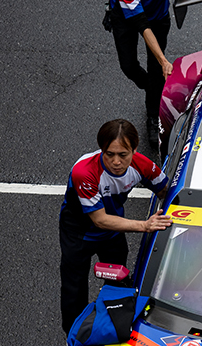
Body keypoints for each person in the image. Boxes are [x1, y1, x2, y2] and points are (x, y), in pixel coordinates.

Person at [59, 119, 172, 333]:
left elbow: (166, 193)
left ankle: (114, 325)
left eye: (123, 155)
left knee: (118, 280)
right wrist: (145, 225)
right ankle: (74, 336)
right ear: (102, 150)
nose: (116, 161)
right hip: (79, 232)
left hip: (112, 231)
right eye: (109, 154)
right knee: (74, 288)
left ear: (134, 150)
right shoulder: (84, 172)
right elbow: (99, 220)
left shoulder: (143, 165)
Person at [109, 0, 187, 140]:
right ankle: (152, 88)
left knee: (155, 68)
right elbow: (141, 25)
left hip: (158, 14)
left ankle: (154, 116)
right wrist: (164, 60)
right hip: (127, 15)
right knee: (129, 67)